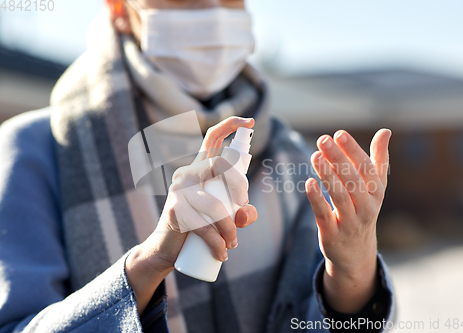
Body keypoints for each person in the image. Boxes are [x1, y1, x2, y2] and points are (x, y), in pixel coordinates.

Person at [0, 0, 396, 332]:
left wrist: (354, 274)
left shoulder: (293, 158)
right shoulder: (34, 152)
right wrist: (147, 264)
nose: (211, 9)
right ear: (119, 8)